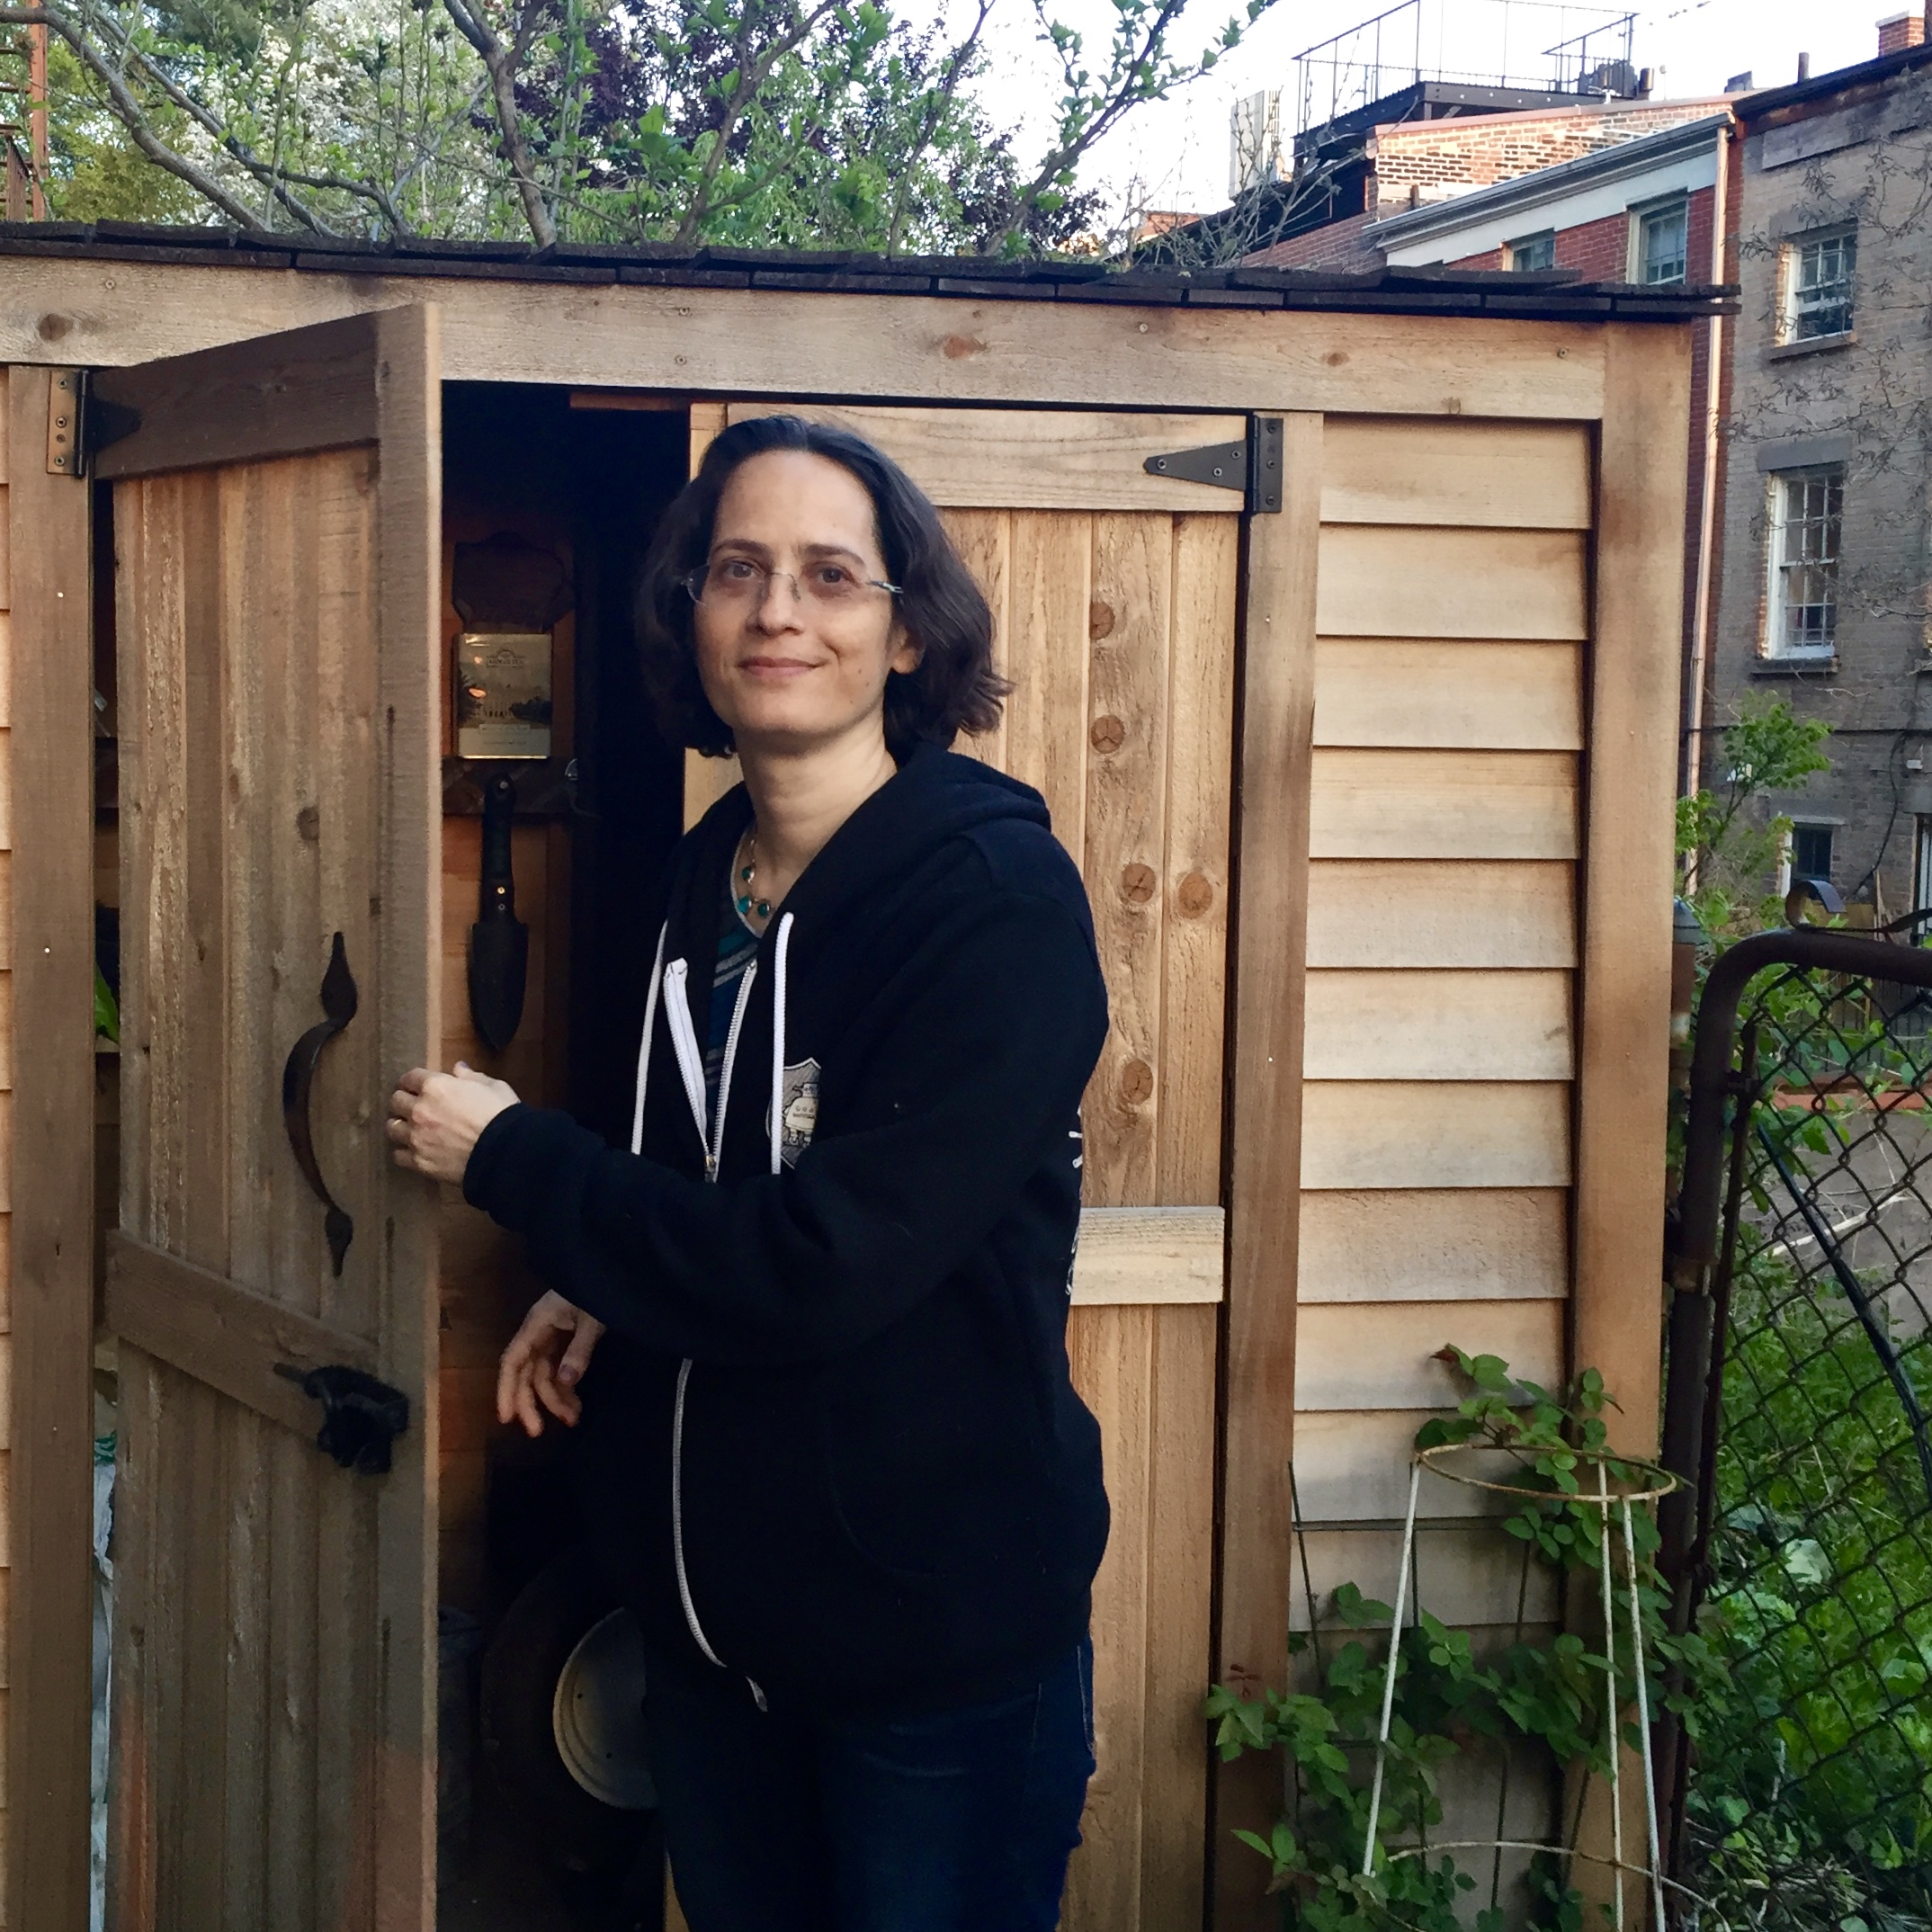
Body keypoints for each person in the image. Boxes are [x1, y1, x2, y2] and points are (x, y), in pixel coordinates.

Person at [387, 414, 1111, 1932]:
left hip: (925, 1668)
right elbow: (701, 1157)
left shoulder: (992, 906)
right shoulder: (709, 873)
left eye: (831, 576)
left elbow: (819, 1260)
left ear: (908, 635)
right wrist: (601, 1281)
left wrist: (513, 1156)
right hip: (710, 1656)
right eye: (739, 570)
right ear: (692, 616)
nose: (779, 610)